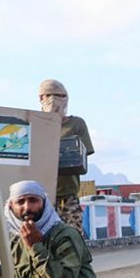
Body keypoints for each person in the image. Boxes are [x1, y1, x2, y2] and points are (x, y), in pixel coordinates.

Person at [7, 180, 100, 278]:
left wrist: (35, 246)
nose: (27, 208)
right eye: (20, 202)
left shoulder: (65, 235)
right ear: (11, 206)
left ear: (44, 203)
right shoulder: (12, 241)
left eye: (33, 200)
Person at [38, 79, 93, 235]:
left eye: (59, 95)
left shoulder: (76, 124)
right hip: (40, 196)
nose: (53, 99)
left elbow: (81, 158)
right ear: (40, 98)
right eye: (48, 95)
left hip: (67, 196)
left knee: (73, 239)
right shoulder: (34, 124)